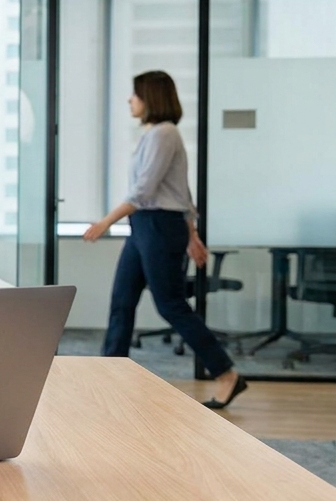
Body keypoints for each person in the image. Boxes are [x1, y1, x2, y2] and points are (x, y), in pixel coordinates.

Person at [84, 69, 245, 409]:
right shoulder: (154, 134)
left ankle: (226, 373)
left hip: (158, 225)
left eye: (136, 94)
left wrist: (104, 223)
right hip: (146, 225)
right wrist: (193, 234)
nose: (131, 99)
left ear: (151, 98)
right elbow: (181, 190)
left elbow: (145, 192)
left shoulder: (164, 134)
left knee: (170, 304)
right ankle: (107, 375)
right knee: (122, 301)